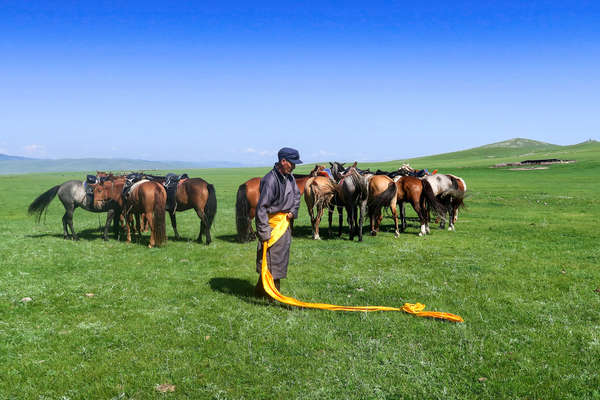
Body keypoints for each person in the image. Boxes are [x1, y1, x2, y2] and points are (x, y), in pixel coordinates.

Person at [254, 147, 303, 298]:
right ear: (283, 161)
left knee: (279, 259)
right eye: (292, 163)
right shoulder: (270, 180)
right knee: (270, 258)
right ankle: (272, 294)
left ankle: (263, 291)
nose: (294, 166)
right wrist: (264, 231)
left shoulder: (290, 178)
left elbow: (296, 197)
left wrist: (292, 212)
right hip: (272, 226)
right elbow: (261, 208)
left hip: (285, 225)